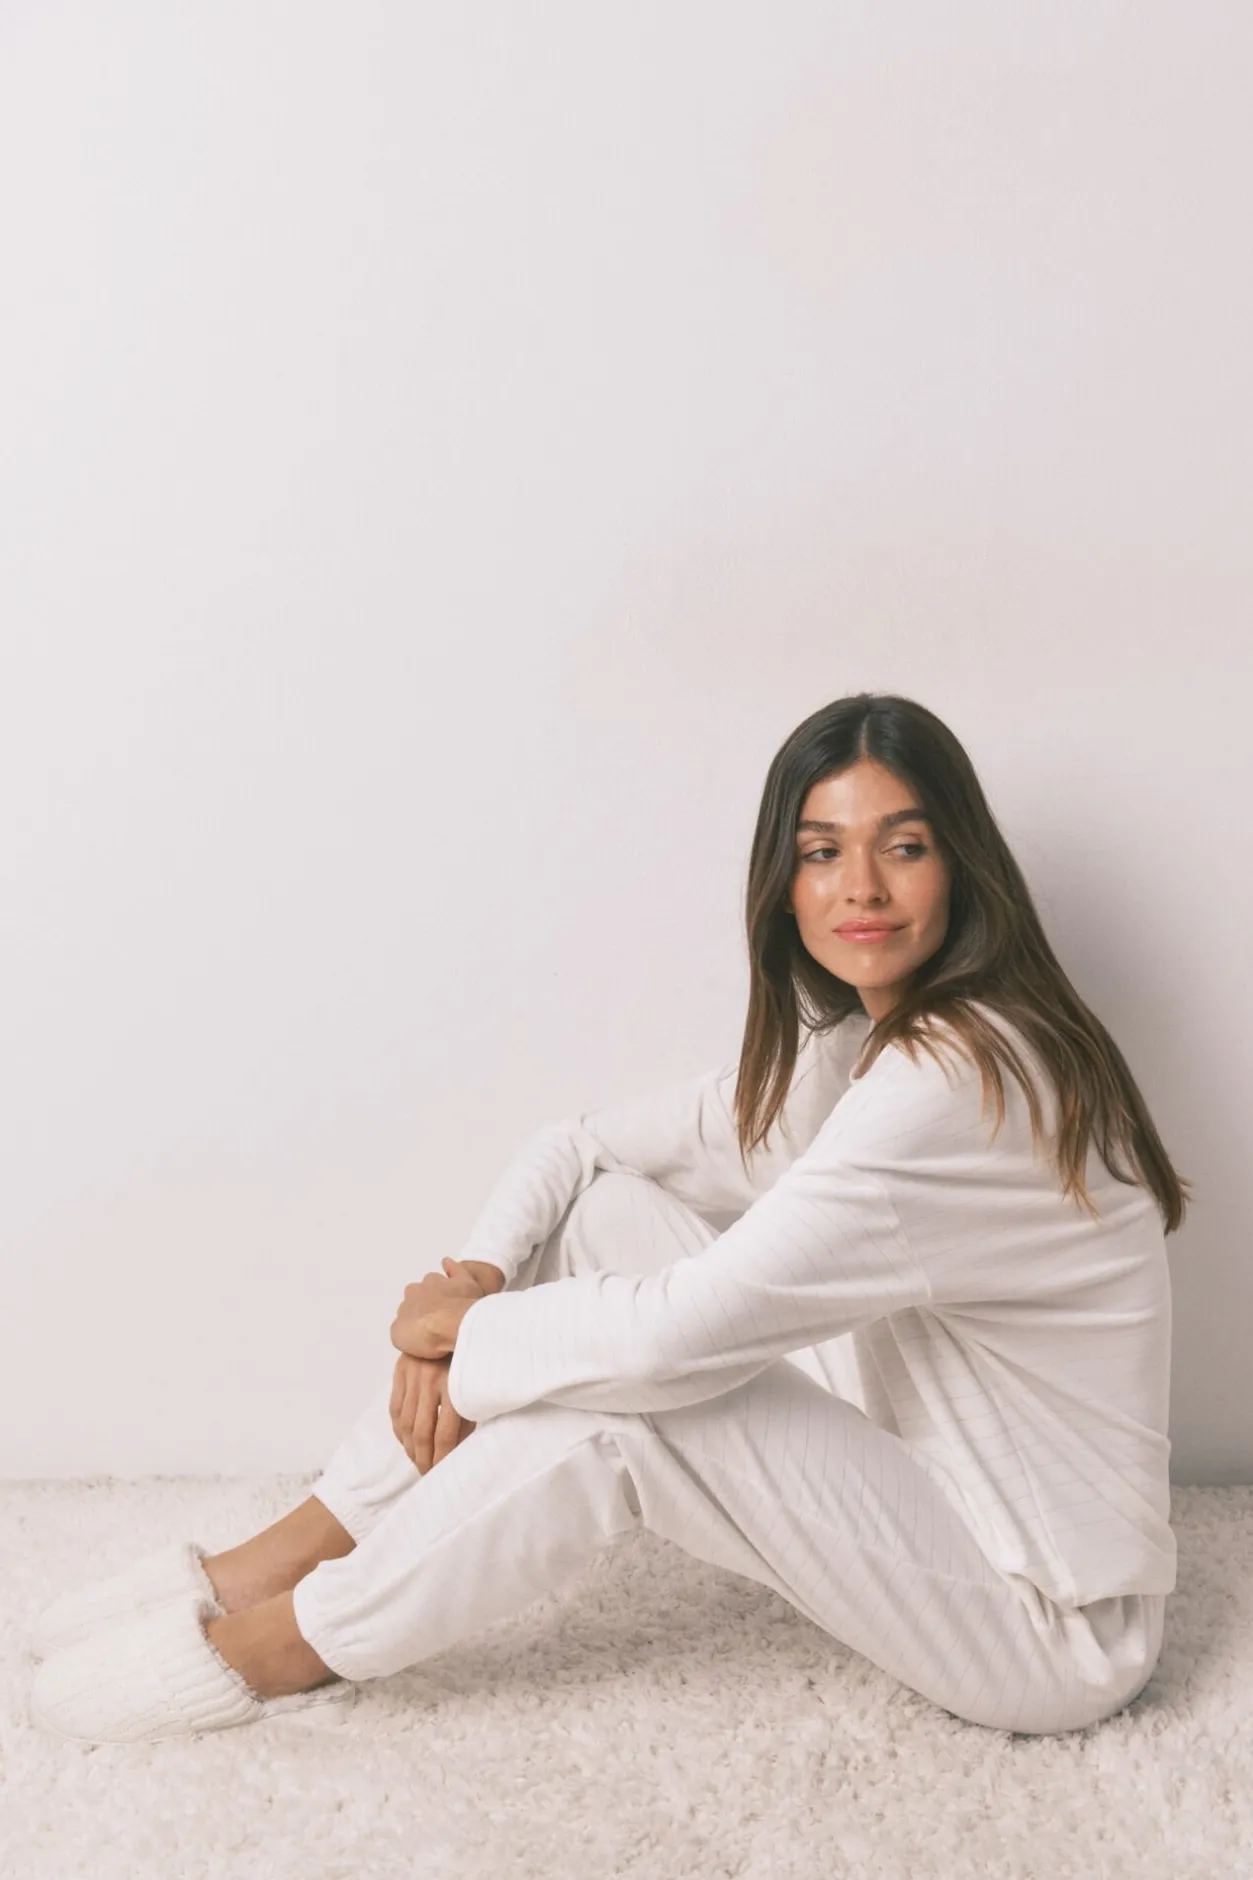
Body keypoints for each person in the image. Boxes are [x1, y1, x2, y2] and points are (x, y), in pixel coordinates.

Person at [27, 691, 1190, 1743]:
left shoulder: (959, 1077)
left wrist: (458, 1332)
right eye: (820, 850)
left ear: (963, 866)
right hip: (922, 1469)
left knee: (628, 1411)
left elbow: (668, 1342)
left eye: (904, 845)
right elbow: (579, 1147)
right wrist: (476, 1279)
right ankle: (284, 1552)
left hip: (1046, 1620)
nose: (861, 888)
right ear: (782, 883)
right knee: (609, 1213)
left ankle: (282, 1642)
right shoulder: (855, 1050)